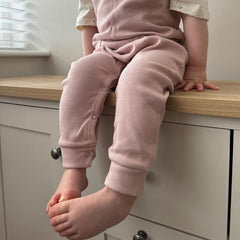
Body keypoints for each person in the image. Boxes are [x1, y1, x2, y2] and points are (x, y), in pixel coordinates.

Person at [46, 0, 219, 239]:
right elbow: (89, 19)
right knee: (79, 73)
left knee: (137, 80)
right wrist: (93, 70)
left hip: (158, 48)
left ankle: (120, 194)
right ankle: (74, 169)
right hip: (106, 50)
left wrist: (197, 68)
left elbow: (192, 8)